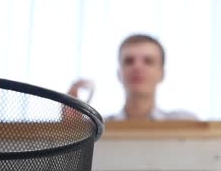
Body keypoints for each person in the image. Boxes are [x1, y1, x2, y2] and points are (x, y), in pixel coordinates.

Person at [68, 34, 197, 121]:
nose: (137, 67)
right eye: (129, 61)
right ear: (119, 73)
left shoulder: (185, 121)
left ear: (162, 74)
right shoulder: (97, 129)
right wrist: (72, 128)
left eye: (148, 61)